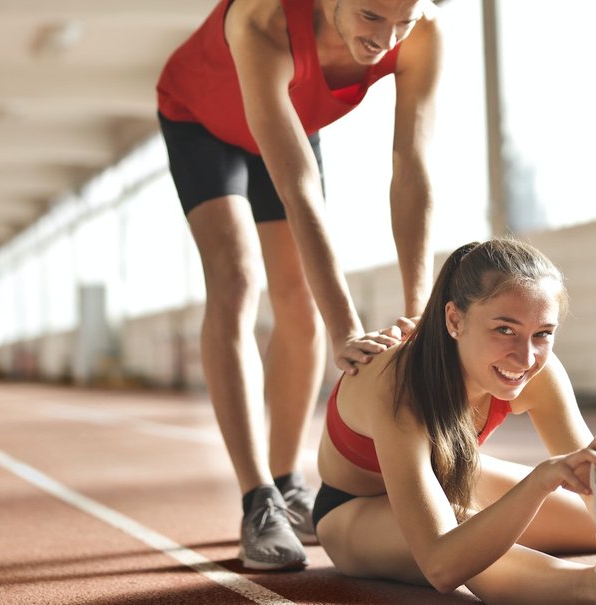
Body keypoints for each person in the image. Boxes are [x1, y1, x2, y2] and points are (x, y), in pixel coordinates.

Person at [156, 0, 443, 570]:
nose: (386, 40)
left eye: (401, 23)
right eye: (370, 17)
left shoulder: (423, 32)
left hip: (291, 121)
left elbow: (412, 167)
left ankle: (288, 482)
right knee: (237, 280)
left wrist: (419, 316)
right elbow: (298, 190)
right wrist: (349, 335)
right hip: (202, 121)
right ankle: (256, 496)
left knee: (299, 302)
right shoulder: (259, 20)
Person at [313, 239, 596, 604]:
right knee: (463, 539)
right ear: (454, 320)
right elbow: (440, 566)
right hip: (354, 509)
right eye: (504, 330)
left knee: (595, 520)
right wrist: (541, 480)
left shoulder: (539, 374)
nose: (525, 357)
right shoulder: (399, 383)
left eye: (543, 334)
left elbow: (584, 477)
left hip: (451, 475)